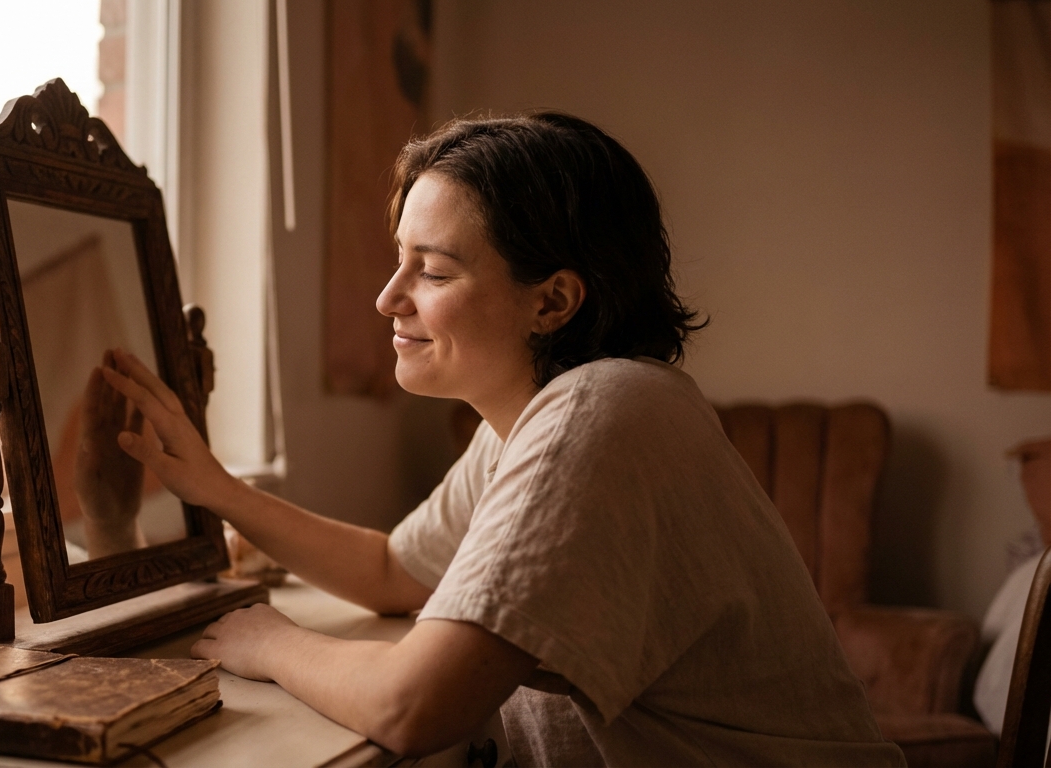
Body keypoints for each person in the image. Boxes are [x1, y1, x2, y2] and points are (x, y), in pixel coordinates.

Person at [95, 112, 905, 765]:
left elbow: (412, 708)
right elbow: (393, 572)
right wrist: (218, 488)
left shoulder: (600, 415)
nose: (387, 299)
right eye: (398, 261)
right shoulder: (534, 417)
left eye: (434, 272)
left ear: (552, 301)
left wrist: (269, 640)